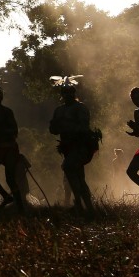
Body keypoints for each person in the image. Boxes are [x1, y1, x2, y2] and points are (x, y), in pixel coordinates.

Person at [49, 83, 95, 215]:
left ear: (74, 93)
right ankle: (88, 208)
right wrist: (56, 124)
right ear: (62, 95)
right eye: (65, 92)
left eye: (70, 92)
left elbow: (84, 128)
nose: (68, 95)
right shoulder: (59, 110)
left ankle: (80, 204)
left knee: (69, 167)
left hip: (80, 145)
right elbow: (53, 130)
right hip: (67, 147)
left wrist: (66, 124)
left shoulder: (80, 108)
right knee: (79, 177)